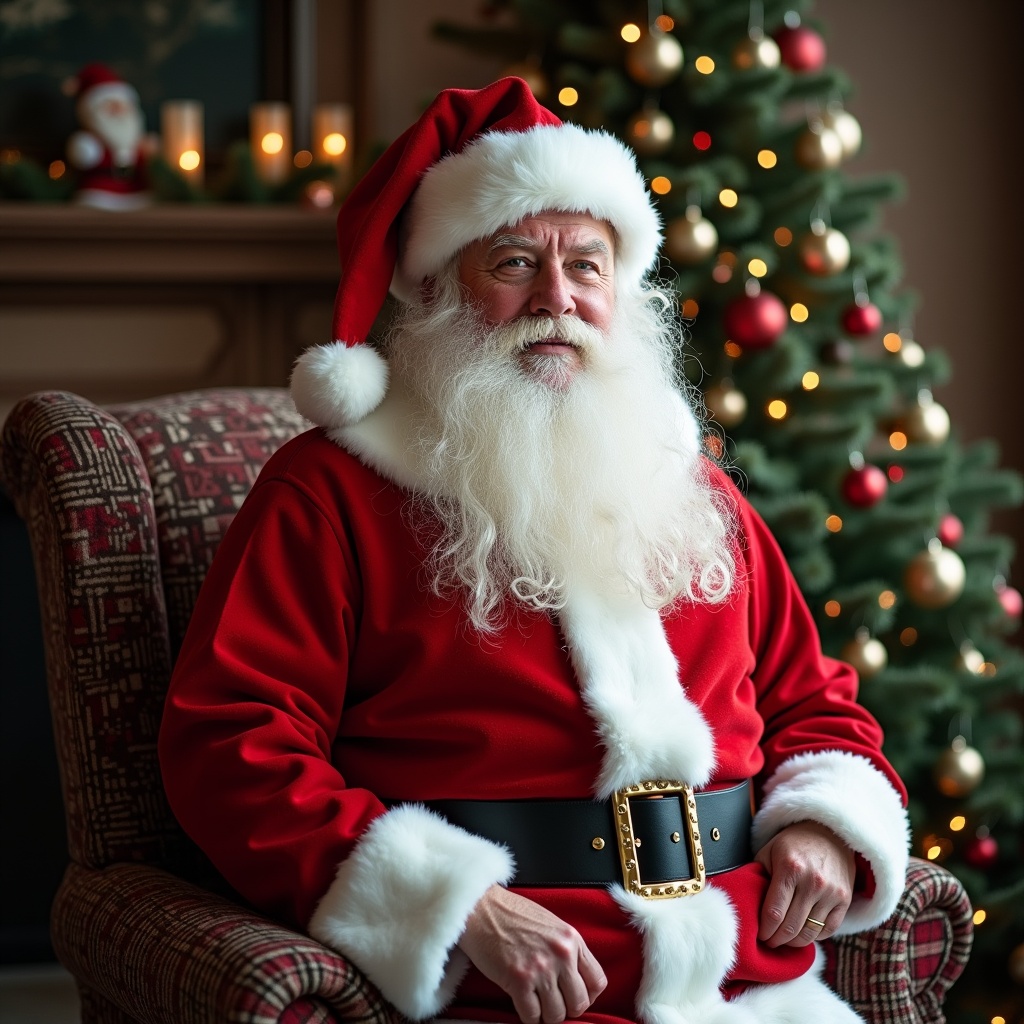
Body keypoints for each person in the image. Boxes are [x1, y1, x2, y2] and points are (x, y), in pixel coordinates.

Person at [158, 78, 910, 1024]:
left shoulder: (693, 488)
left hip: (748, 981)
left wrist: (821, 825)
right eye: (514, 261)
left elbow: (813, 698)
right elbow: (231, 742)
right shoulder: (329, 492)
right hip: (510, 992)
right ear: (435, 288)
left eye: (587, 265)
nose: (556, 297)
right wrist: (455, 903)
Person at [65, 62, 154, 209]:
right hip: (98, 195)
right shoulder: (94, 142)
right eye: (111, 106)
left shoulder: (137, 143)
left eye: (122, 105)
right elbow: (82, 155)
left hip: (139, 194)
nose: (119, 110)